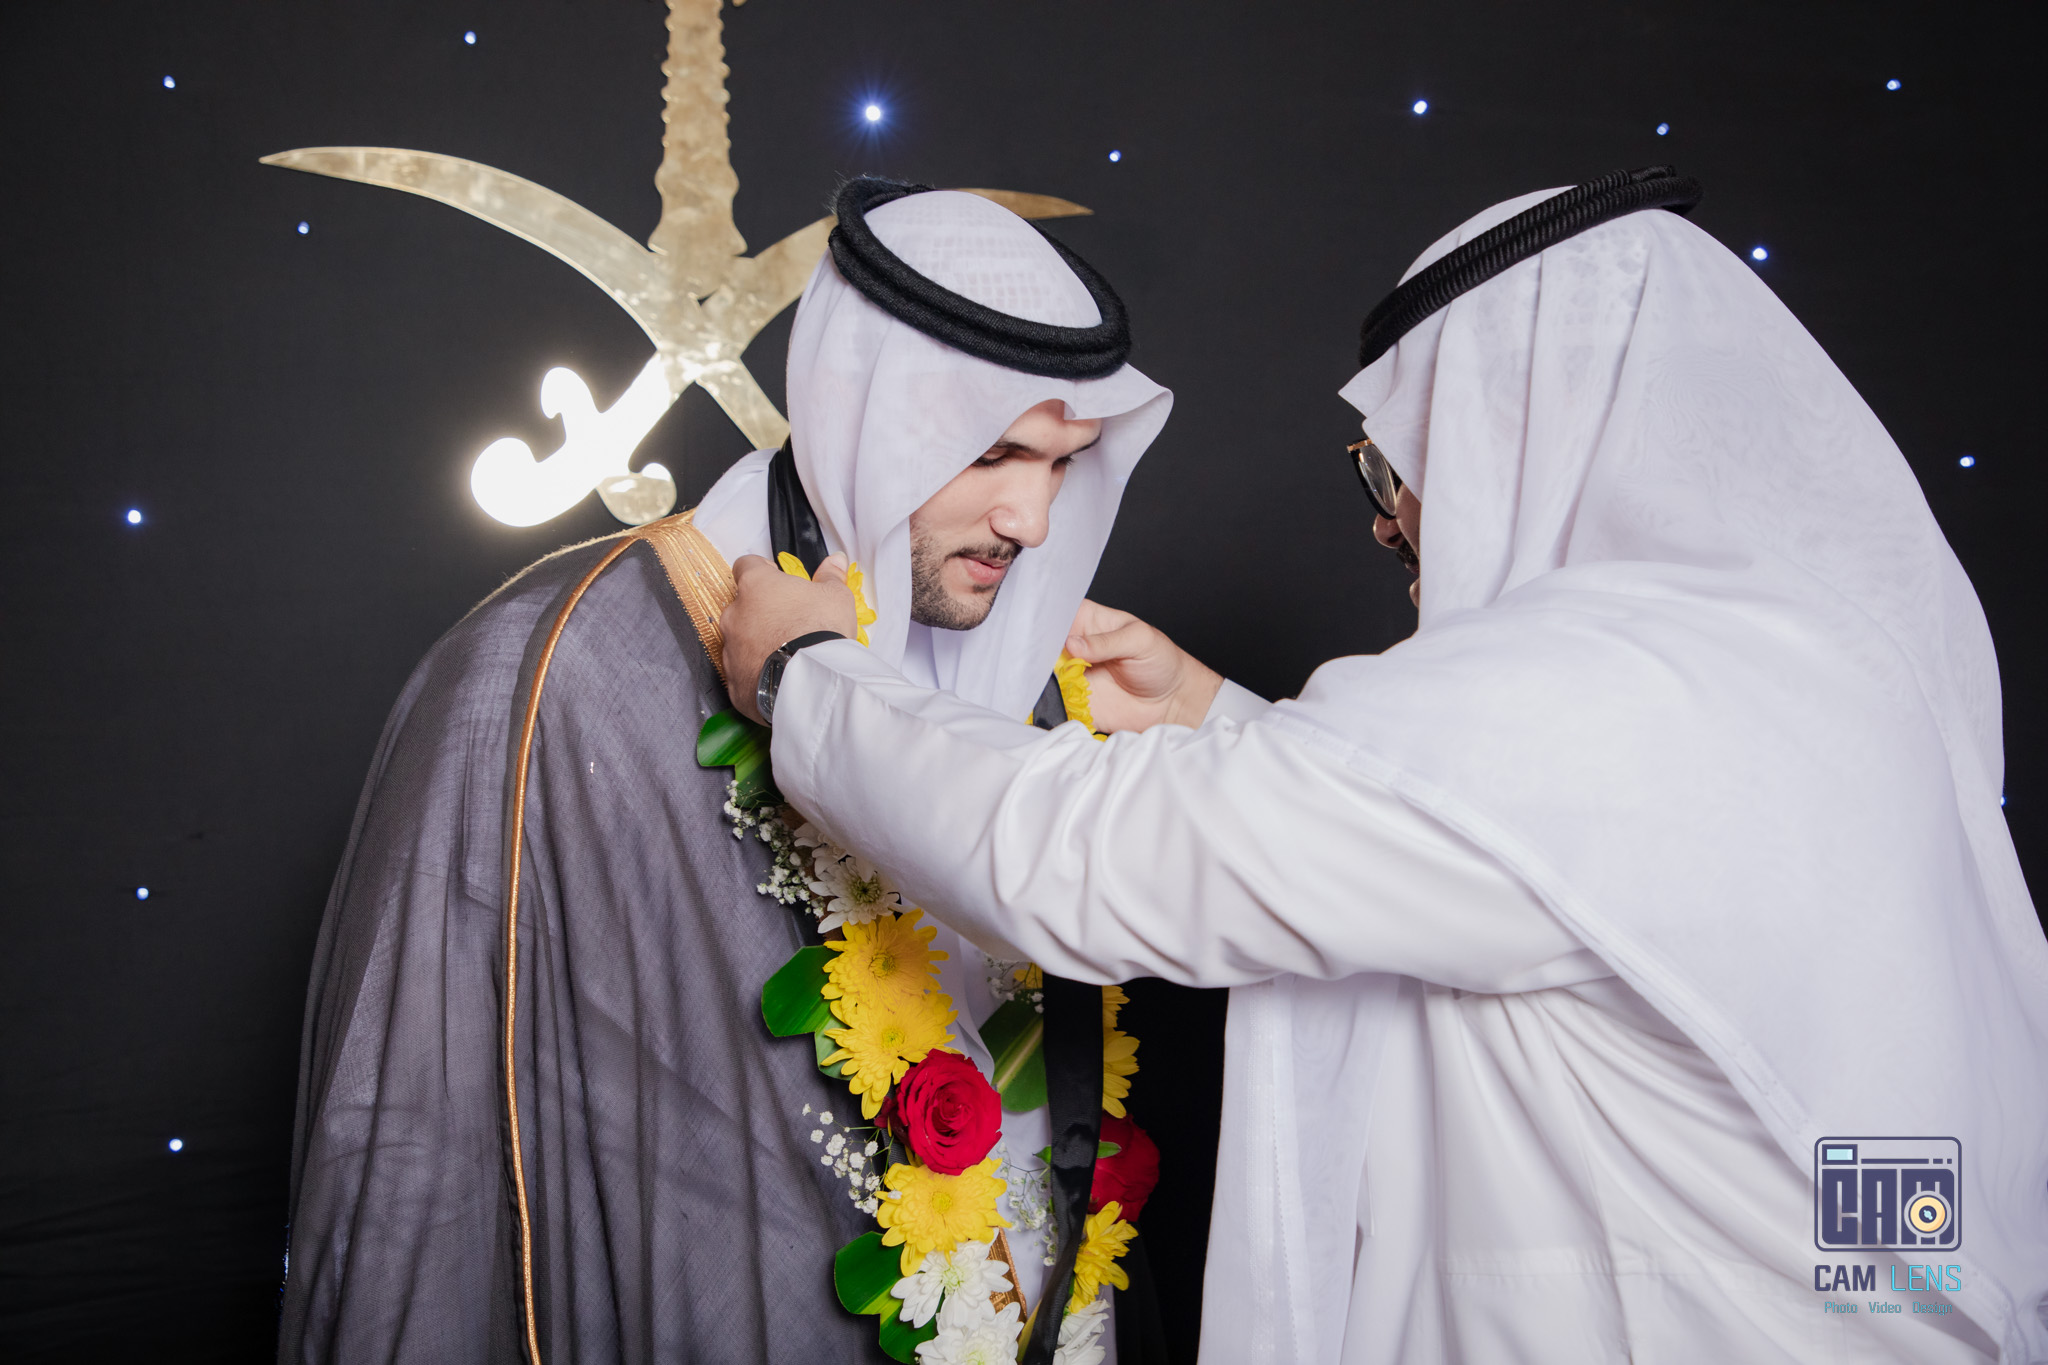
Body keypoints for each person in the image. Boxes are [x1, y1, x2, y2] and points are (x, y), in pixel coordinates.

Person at [718, 170, 2048, 1362]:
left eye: (1403, 468)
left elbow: (1083, 860)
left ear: (1526, 434)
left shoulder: (1583, 691)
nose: (1389, 520)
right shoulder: (1803, 661)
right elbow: (1525, 878)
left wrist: (806, 675)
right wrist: (1212, 716)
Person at [279, 181, 1171, 1363]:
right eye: (995, 452)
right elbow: (412, 1150)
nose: (1032, 521)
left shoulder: (1058, 679)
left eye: (1063, 463)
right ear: (861, 414)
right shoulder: (560, 668)